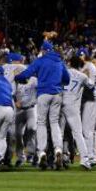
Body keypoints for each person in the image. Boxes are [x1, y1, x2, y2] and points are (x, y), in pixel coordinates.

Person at [15, 32, 70, 170]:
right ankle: (58, 149)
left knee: (41, 123)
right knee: (54, 122)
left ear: (44, 50)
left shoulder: (40, 60)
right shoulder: (59, 61)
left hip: (44, 94)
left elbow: (26, 74)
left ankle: (42, 152)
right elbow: (67, 79)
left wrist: (18, 77)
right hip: (57, 94)